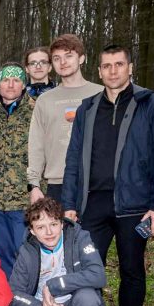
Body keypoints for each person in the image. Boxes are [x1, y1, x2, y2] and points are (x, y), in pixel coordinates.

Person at [62, 44, 154, 306]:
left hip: (135, 207)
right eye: (106, 66)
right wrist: (69, 203)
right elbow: (73, 159)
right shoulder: (87, 108)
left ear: (130, 68)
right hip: (93, 204)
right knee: (86, 268)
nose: (112, 71)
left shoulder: (151, 104)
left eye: (118, 64)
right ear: (99, 71)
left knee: (131, 270)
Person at [27, 35, 102, 205]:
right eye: (56, 58)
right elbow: (36, 145)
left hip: (95, 182)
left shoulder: (100, 94)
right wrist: (34, 185)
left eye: (68, 56)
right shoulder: (45, 100)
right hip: (57, 183)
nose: (63, 62)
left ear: (81, 58)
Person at [0, 63, 33, 278]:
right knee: (1, 257)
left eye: (16, 80)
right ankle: (7, 297)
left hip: (23, 201)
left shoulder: (35, 113)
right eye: (5, 80)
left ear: (23, 85)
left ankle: (27, 296)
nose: (10, 85)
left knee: (25, 255)